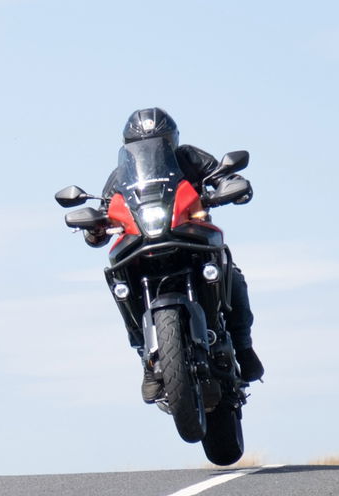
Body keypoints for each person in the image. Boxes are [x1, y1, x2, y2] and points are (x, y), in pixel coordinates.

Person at [86, 107, 264, 403]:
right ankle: (147, 357)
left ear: (171, 140)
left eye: (160, 140)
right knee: (120, 284)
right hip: (143, 239)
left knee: (232, 274)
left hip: (188, 233)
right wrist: (94, 226)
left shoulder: (190, 158)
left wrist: (229, 186)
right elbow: (107, 211)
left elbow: (221, 177)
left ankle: (243, 348)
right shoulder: (120, 177)